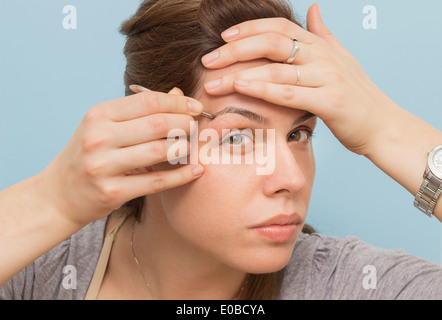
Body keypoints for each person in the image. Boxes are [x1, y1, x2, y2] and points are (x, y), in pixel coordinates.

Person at [1, 0, 442, 300]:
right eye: (237, 138)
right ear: (152, 135)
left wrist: (387, 129)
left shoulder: (350, 284)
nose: (289, 179)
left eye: (298, 135)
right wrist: (52, 201)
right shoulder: (42, 271)